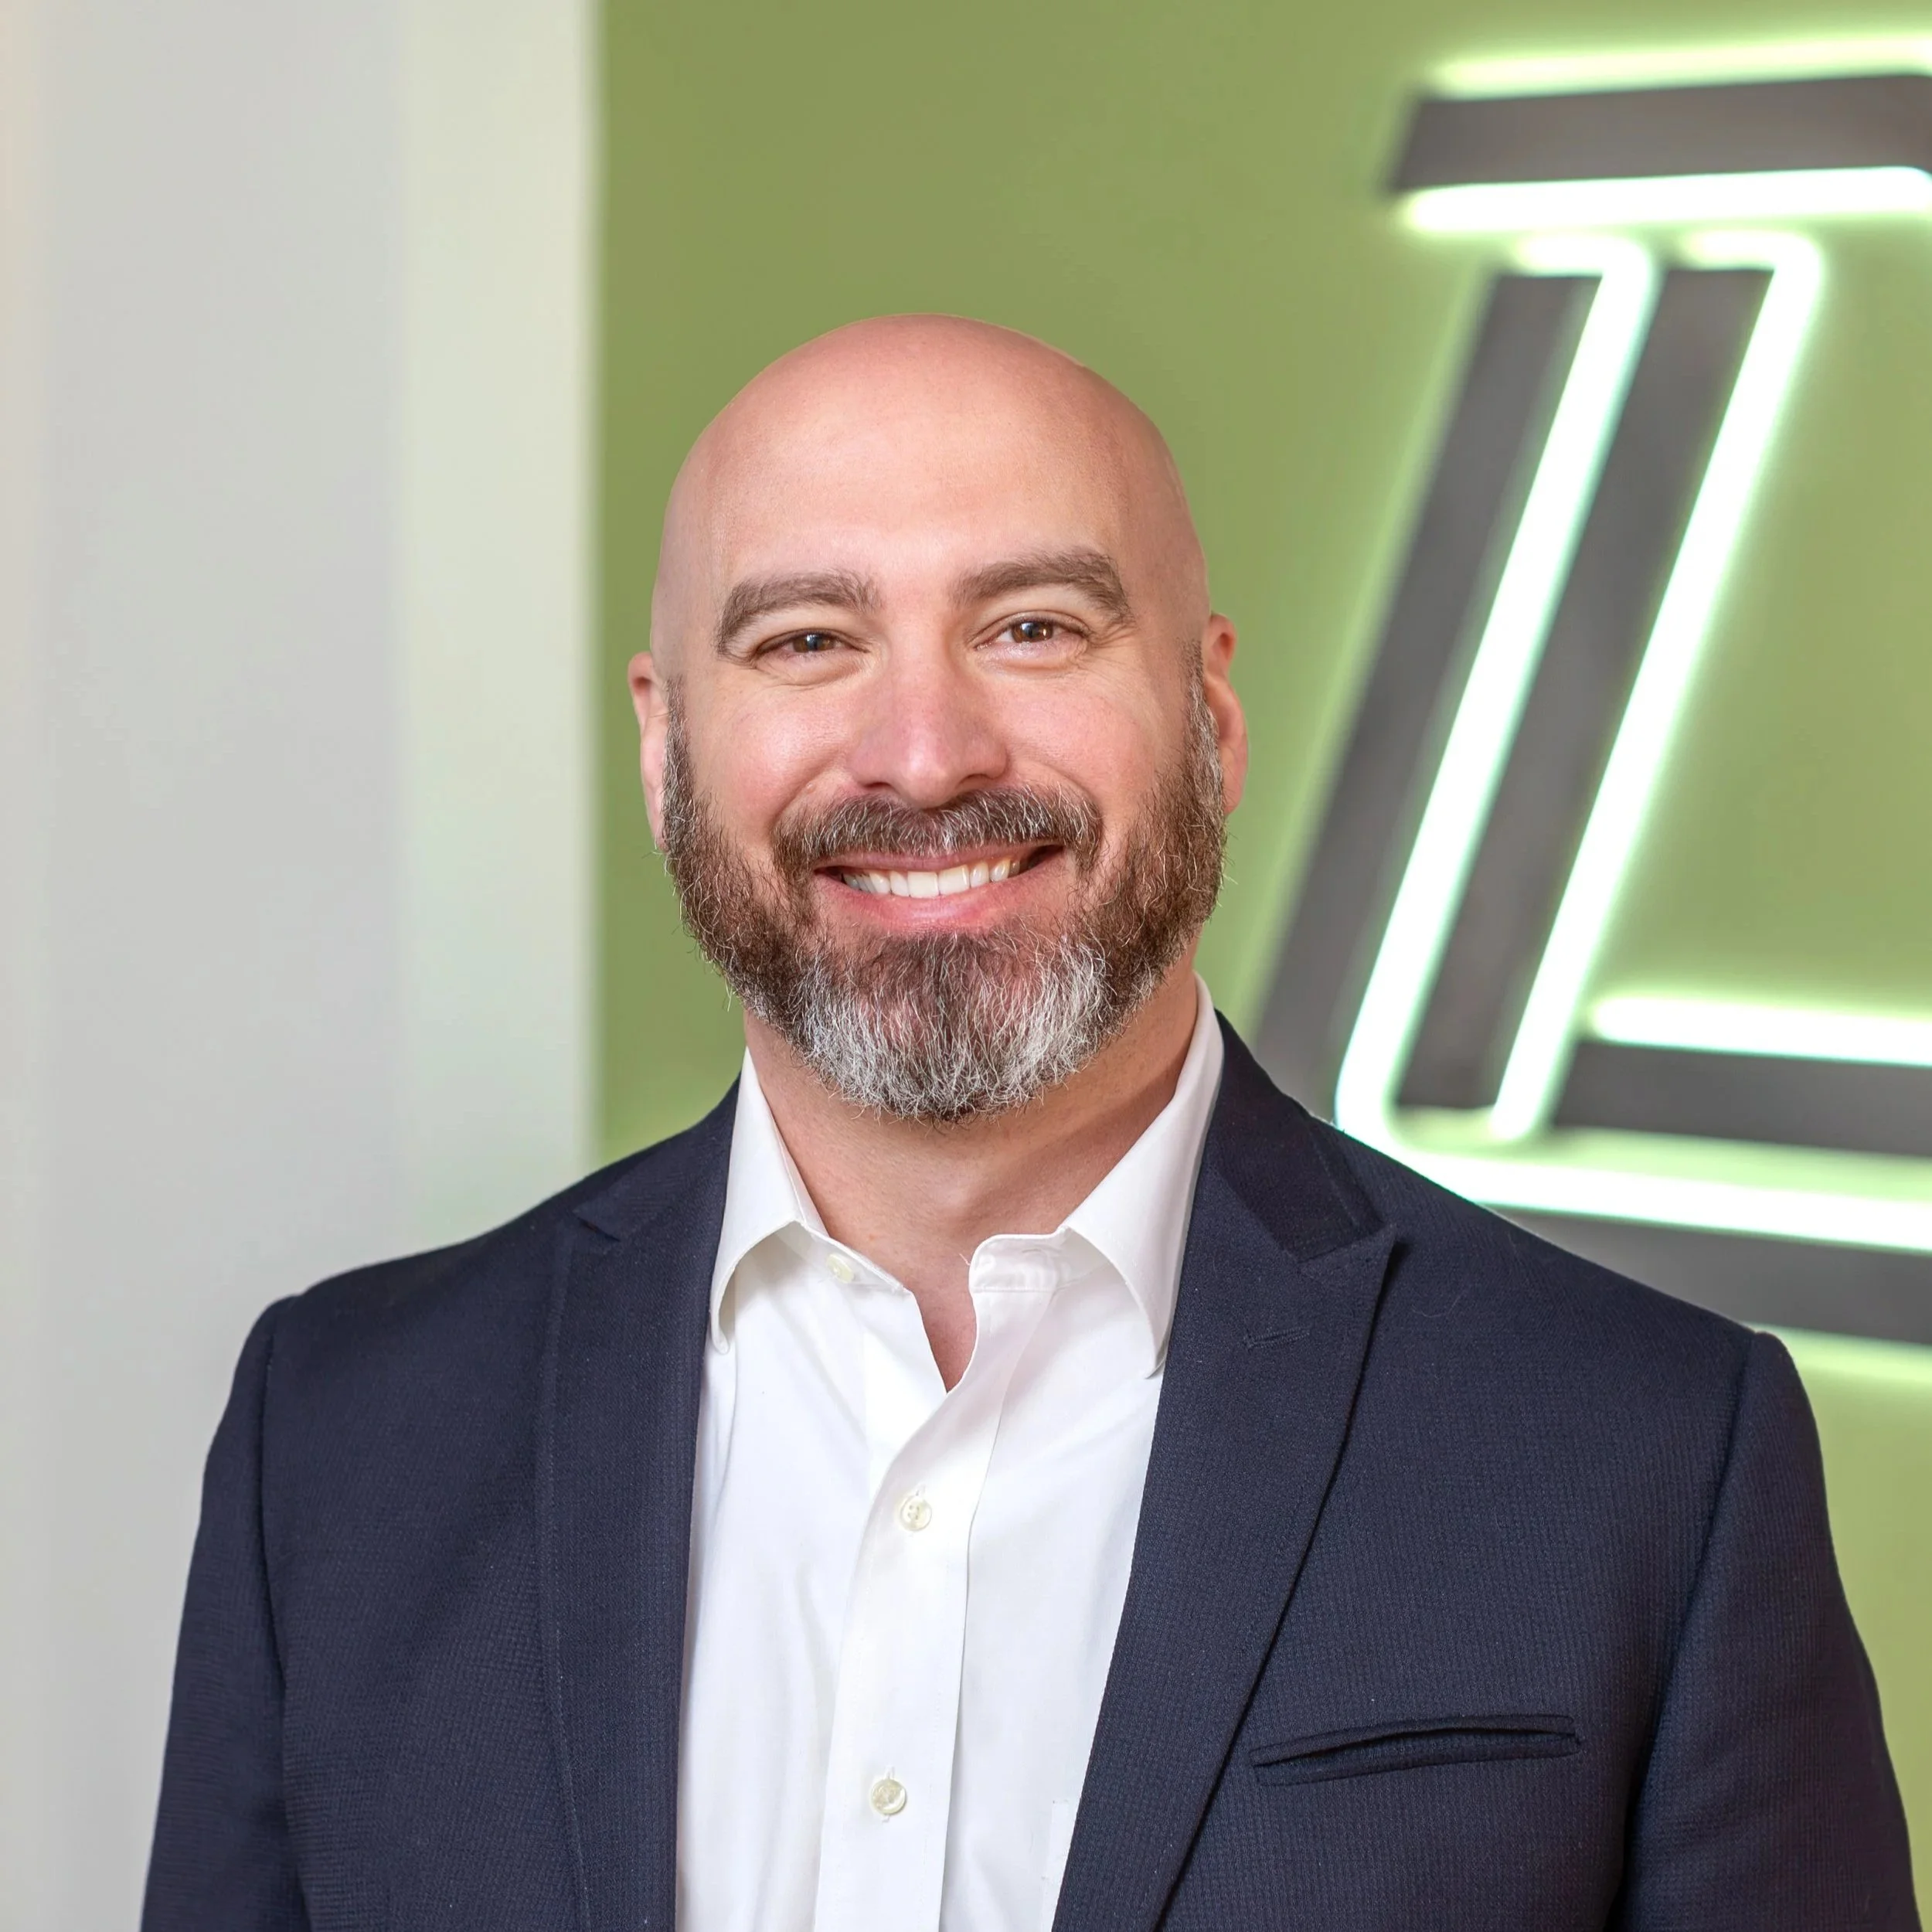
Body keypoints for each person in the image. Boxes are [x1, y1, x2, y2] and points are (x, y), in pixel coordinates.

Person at [144, 315, 1917, 1932]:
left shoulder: (1646, 1454)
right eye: (807, 639)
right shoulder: (341, 1439)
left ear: (1208, 713)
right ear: (665, 744)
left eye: (1032, 628)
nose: (923, 753)